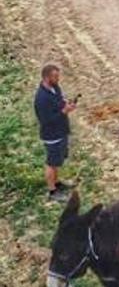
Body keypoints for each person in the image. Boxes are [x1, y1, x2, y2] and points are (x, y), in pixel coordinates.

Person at [35, 63, 76, 201]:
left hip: (61, 131)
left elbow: (59, 99)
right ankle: (52, 192)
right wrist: (64, 111)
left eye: (58, 76)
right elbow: (46, 121)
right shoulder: (41, 98)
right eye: (55, 77)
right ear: (47, 78)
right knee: (51, 163)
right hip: (52, 135)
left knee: (57, 161)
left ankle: (57, 183)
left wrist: (66, 103)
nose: (58, 79)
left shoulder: (54, 87)